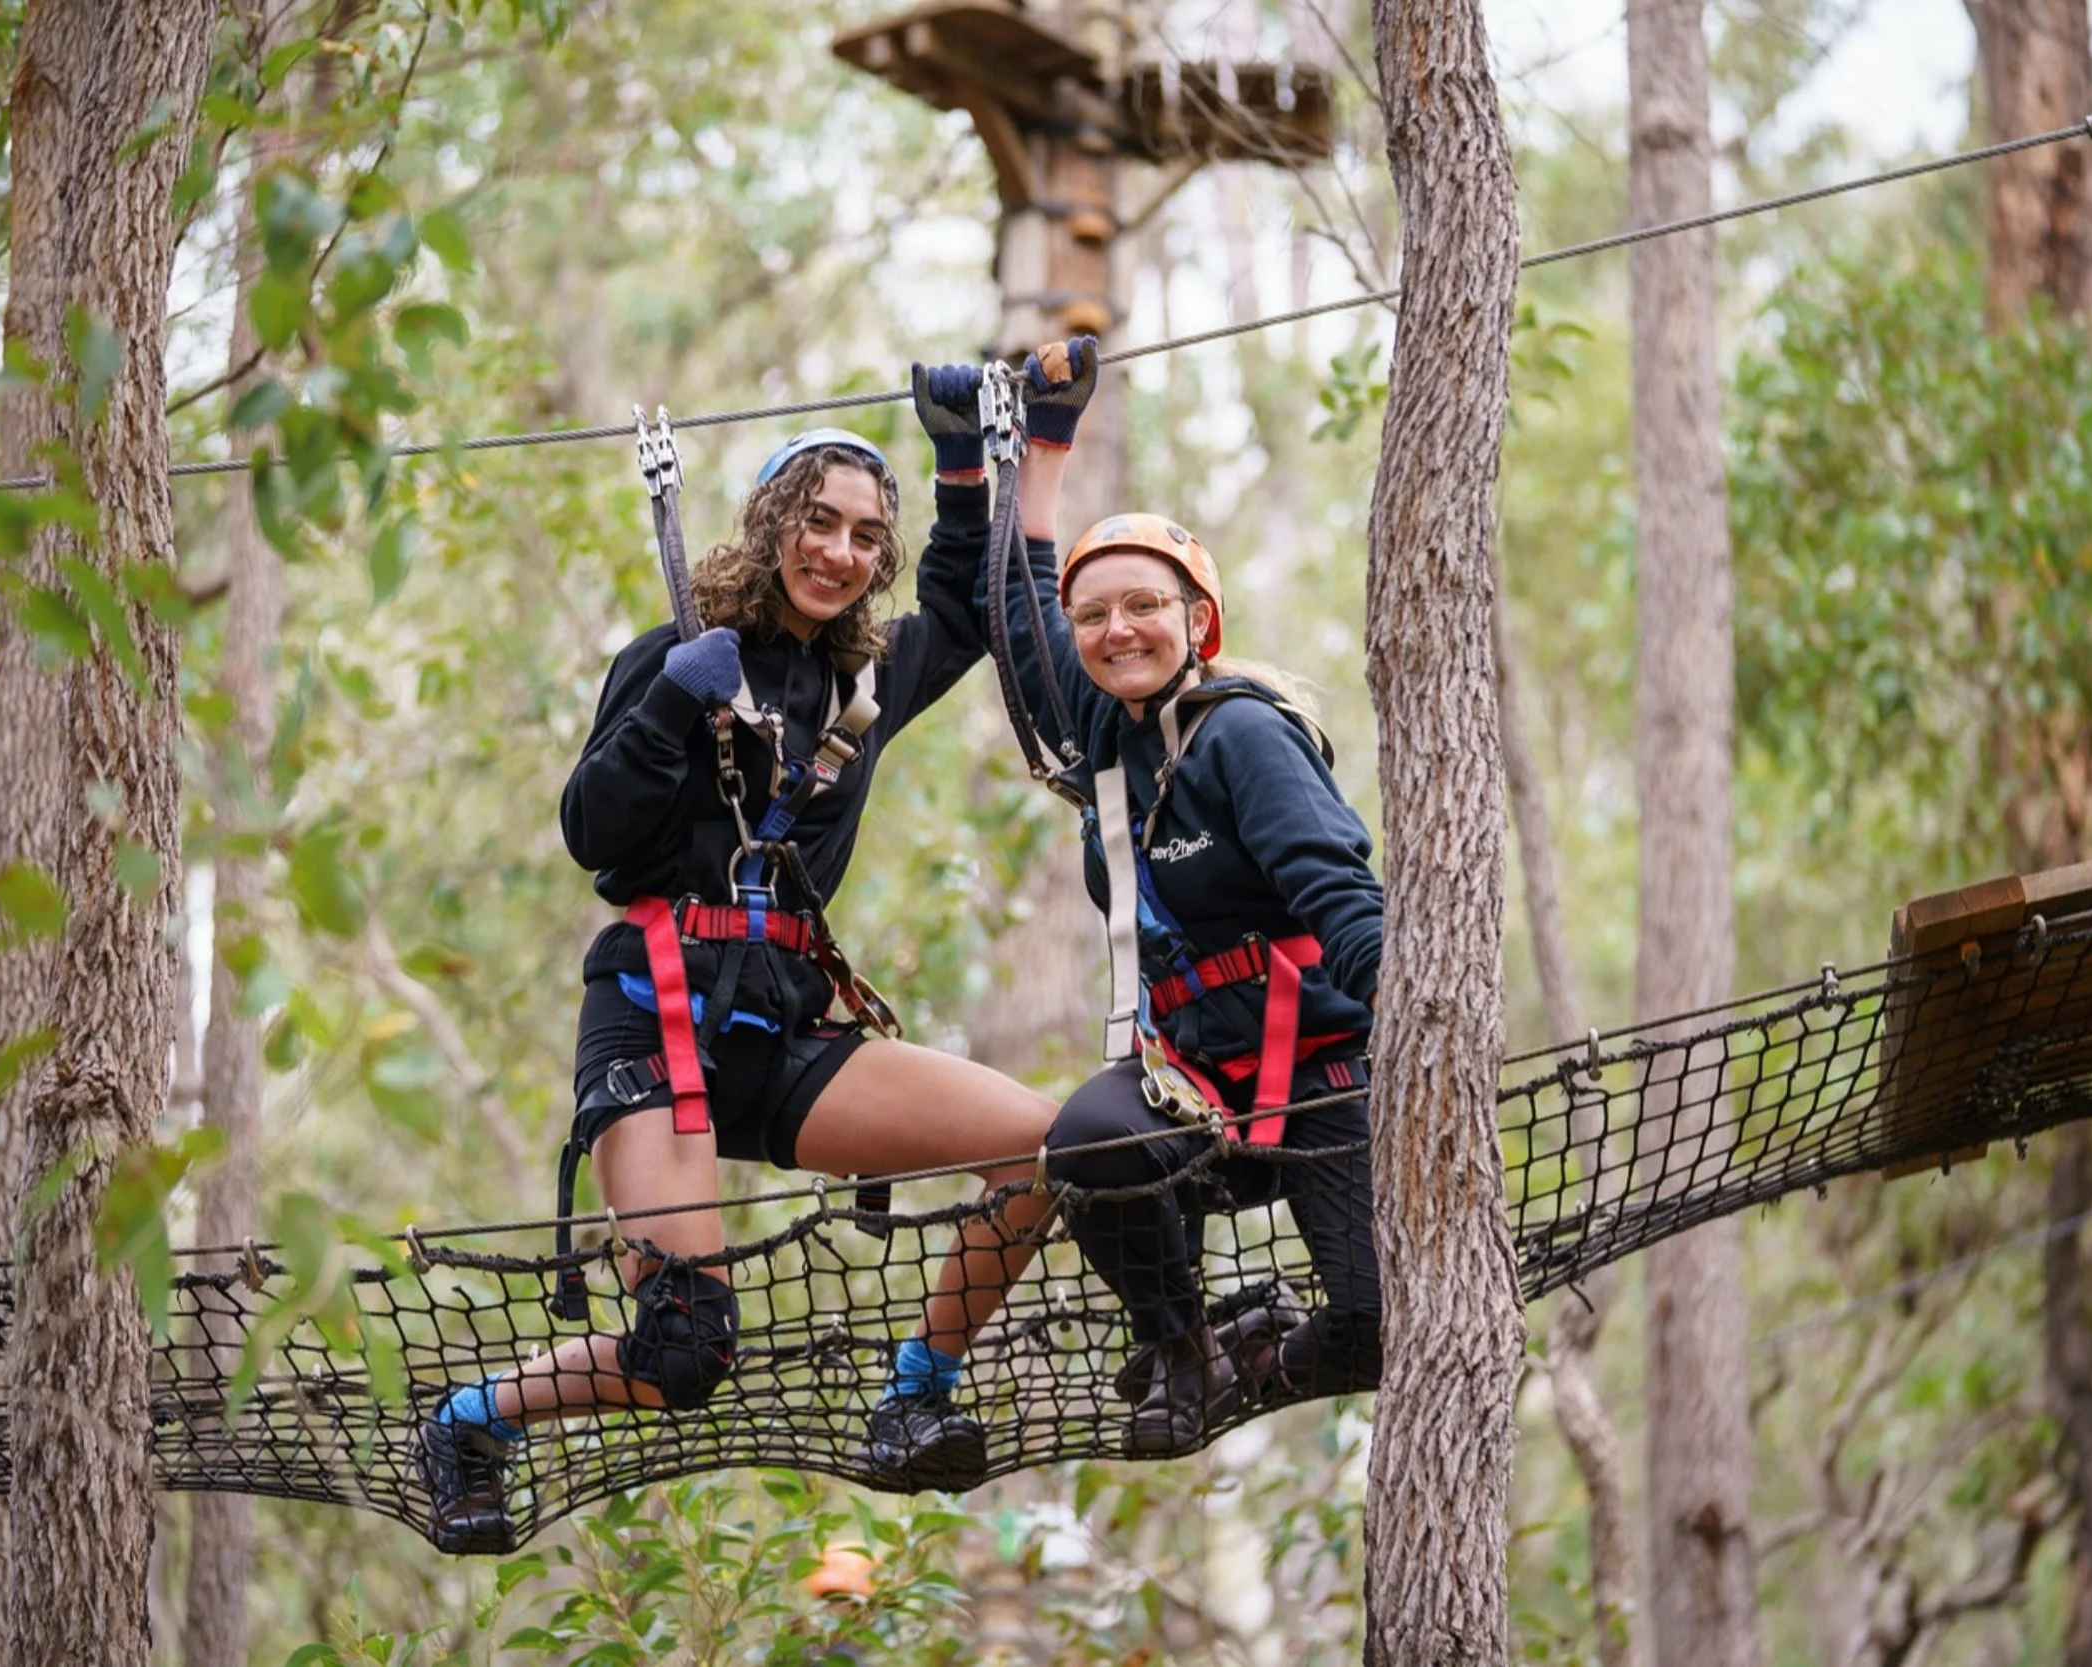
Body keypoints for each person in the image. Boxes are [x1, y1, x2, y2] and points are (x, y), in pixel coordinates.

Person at [413, 370, 1062, 1554]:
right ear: (772, 524)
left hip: (781, 1021)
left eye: (868, 534)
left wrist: (962, 467)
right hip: (654, 1010)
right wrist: (669, 705)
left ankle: (917, 1392)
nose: (840, 551)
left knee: (1048, 1145)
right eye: (818, 520)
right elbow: (592, 835)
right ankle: (468, 1418)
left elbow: (966, 613)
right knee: (682, 1350)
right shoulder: (674, 651)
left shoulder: (861, 680)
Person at [980, 338, 1384, 1457]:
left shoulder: (1243, 734)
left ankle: (1270, 1345)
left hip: (1319, 1077)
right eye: (1095, 615)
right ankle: (1186, 1342)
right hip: (1190, 1082)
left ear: (1196, 618)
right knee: (1086, 1144)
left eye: (1144, 606)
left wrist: (1422, 1022)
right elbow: (1014, 618)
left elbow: (1340, 898)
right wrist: (1032, 451)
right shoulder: (1107, 737)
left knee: (1374, 1324)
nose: (1117, 631)